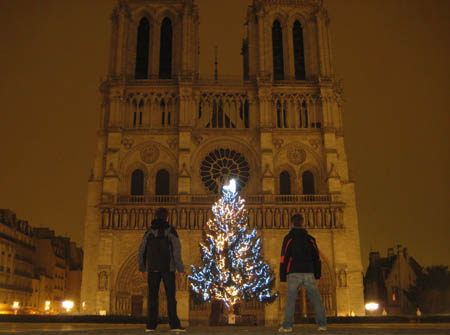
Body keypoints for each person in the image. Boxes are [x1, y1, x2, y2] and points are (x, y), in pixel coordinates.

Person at [138, 208, 186, 333]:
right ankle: (174, 325)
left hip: (153, 268)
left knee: (152, 297)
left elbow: (141, 251)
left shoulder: (149, 232)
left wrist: (142, 268)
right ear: (167, 218)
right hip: (168, 269)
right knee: (171, 297)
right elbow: (176, 252)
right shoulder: (171, 232)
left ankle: (151, 325)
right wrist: (180, 269)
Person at [279, 214, 327, 332]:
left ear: (291, 224)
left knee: (290, 299)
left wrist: (282, 276)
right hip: (308, 272)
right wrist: (318, 275)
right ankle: (322, 325)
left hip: (294, 272)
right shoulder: (311, 239)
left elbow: (283, 258)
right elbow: (317, 258)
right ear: (302, 223)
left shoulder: (288, 238)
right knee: (316, 299)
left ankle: (287, 326)